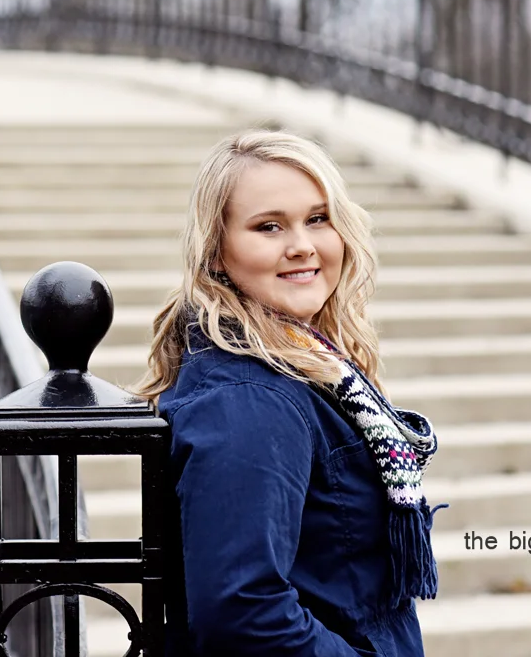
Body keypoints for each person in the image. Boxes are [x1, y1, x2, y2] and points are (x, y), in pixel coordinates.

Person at [133, 127, 445, 656]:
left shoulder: (304, 364)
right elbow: (243, 612)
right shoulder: (248, 399)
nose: (301, 246)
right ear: (215, 253)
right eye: (269, 226)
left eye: (317, 219)